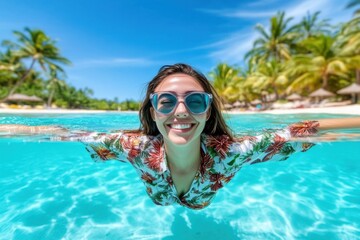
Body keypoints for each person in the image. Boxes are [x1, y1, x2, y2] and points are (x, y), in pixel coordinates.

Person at [1, 63, 360, 210]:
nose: (181, 111)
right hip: (158, 195)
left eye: (195, 100)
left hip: (204, 200)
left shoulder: (231, 152)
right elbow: (59, 132)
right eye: (167, 101)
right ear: (153, 110)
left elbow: (305, 129)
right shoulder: (134, 146)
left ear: (208, 110)